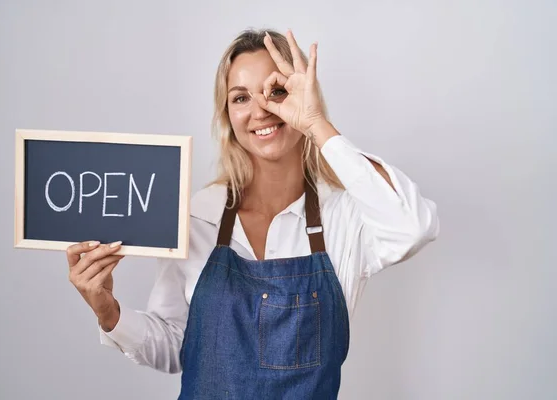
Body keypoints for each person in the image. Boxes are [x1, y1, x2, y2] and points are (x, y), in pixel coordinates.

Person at [66, 28, 439, 399]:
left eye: (277, 91)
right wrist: (108, 311)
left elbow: (414, 227)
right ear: (227, 115)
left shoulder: (343, 216)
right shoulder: (196, 216)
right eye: (240, 97)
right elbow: (175, 347)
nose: (260, 110)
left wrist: (317, 125)